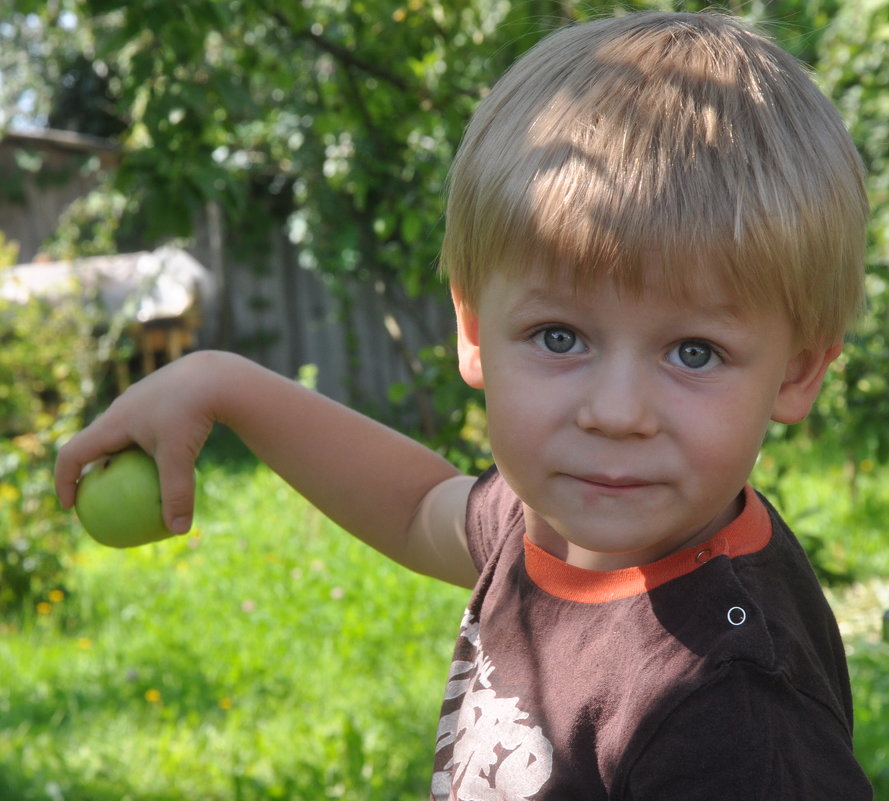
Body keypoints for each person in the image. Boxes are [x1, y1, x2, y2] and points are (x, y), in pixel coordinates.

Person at [55, 10, 874, 800]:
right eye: (560, 336)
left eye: (693, 352)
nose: (616, 411)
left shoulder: (733, 714)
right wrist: (220, 382)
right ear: (476, 332)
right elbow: (418, 506)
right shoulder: (551, 523)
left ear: (797, 371)